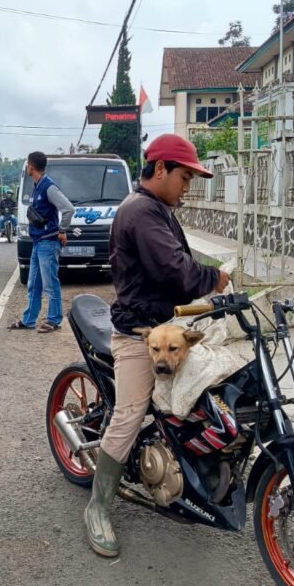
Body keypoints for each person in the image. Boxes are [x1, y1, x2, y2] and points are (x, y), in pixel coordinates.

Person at [84, 134, 230, 557]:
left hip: (167, 326)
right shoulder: (141, 212)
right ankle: (97, 508)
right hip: (138, 335)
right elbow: (179, 274)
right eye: (185, 176)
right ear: (161, 168)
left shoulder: (158, 209)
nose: (189, 186)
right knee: (130, 414)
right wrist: (214, 279)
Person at [9, 151, 73, 333]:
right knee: (34, 284)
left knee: (50, 284)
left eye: (28, 164)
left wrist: (62, 230)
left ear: (31, 166)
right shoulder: (38, 186)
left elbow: (68, 209)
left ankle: (54, 320)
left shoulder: (48, 187)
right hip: (38, 242)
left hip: (48, 242)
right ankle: (29, 320)